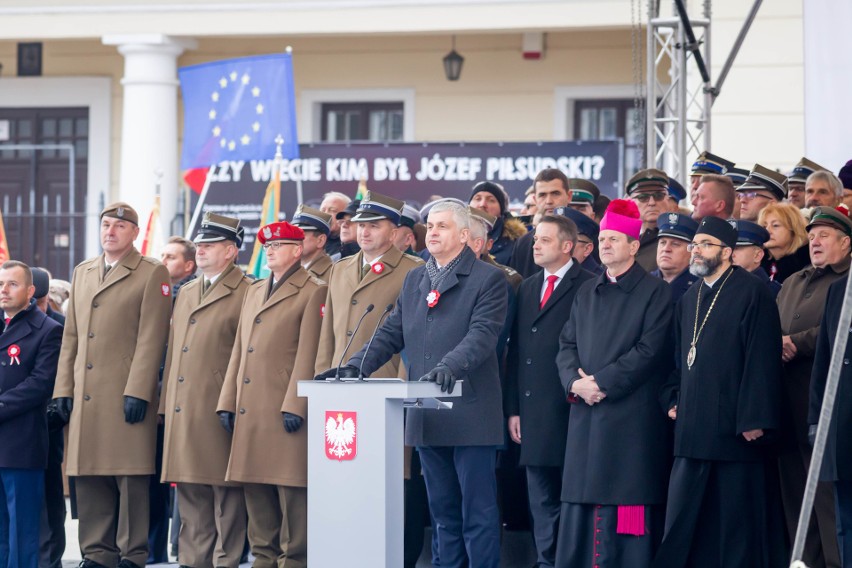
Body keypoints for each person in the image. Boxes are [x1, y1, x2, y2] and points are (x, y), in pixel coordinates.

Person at [323, 201, 508, 567]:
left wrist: (449, 366)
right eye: (431, 226)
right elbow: (391, 332)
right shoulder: (416, 278)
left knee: (478, 513)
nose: (433, 232)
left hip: (470, 412)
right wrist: (355, 366)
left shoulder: (489, 279)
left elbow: (482, 335)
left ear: (465, 236)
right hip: (428, 415)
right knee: (442, 514)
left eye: (442, 226)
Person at [655, 217, 782, 568]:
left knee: (734, 529)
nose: (696, 250)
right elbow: (678, 359)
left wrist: (755, 418)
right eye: (695, 244)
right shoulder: (690, 297)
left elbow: (762, 359)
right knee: (685, 524)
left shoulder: (752, 291)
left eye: (706, 244)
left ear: (727, 252)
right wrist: (673, 399)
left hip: (734, 434)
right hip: (693, 432)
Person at [553, 199, 673, 567]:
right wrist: (575, 383)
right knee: (581, 504)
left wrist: (600, 383)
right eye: (602, 238)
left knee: (629, 506)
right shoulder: (587, 291)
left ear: (634, 246)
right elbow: (566, 344)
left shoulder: (657, 292)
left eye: (614, 239)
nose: (604, 245)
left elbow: (649, 351)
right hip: (586, 416)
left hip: (630, 419)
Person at [52, 202, 172, 568]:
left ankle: (132, 554)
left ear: (134, 233)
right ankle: (96, 552)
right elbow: (71, 336)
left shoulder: (152, 272)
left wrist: (138, 389)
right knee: (88, 476)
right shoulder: (83, 271)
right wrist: (62, 391)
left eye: (120, 226)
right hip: (86, 394)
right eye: (106, 224)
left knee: (130, 477)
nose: (110, 231)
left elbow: (152, 337)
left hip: (124, 392)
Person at [217, 221, 326, 568]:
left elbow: (310, 351)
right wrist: (227, 400)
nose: (271, 251)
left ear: (297, 250)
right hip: (251, 406)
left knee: (291, 489)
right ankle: (263, 558)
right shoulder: (255, 289)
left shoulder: (313, 289)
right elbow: (239, 349)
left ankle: (294, 560)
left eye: (279, 246)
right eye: (267, 246)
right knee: (256, 488)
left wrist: (297, 402)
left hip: (283, 405)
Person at [158, 213, 250, 568]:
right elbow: (175, 350)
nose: (201, 251)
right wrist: (167, 404)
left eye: (209, 246)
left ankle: (225, 561)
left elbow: (244, 354)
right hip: (184, 404)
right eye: (200, 245)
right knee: (191, 490)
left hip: (218, 405)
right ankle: (193, 560)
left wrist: (231, 402)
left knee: (225, 493)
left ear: (230, 251)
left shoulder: (247, 290)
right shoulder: (188, 290)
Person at [504, 214, 594, 567]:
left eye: (543, 239)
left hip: (571, 409)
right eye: (535, 238)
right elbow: (518, 352)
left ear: (567, 246)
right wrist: (513, 408)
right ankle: (547, 562)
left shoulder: (589, 284)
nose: (535, 244)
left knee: (570, 495)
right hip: (532, 412)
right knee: (539, 496)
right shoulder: (527, 287)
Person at [775, 206, 851, 568]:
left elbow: (842, 330)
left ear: (846, 243)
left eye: (825, 235)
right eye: (813, 235)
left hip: (825, 404)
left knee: (825, 496)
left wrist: (796, 342)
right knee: (793, 493)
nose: (815, 241)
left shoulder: (849, 280)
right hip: (786, 402)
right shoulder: (793, 282)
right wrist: (777, 342)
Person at [0, 261, 63, 568]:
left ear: (30, 291)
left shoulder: (48, 330)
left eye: (12, 284)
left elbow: (39, 384)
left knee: (22, 530)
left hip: (21, 442)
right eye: (1, 284)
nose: (4, 290)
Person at [809, 268, 852, 564]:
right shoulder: (838, 290)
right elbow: (823, 360)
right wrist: (815, 419)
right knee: (845, 521)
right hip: (843, 427)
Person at [31, 267, 67, 568]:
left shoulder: (60, 326)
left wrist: (57, 412)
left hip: (47, 421)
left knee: (50, 496)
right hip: (13, 426)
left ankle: (50, 559)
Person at [509, 168, 573, 278]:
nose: (549, 201)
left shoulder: (586, 238)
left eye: (555, 193)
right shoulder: (522, 243)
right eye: (542, 195)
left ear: (569, 196)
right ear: (535, 199)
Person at [468, 181, 527, 265]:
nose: (482, 204)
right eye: (477, 199)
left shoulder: (517, 244)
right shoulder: (456, 236)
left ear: (501, 210)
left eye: (491, 200)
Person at [626, 168, 670, 271]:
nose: (651, 202)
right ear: (630, 202)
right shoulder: (621, 239)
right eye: (643, 197)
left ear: (667, 199)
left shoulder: (677, 241)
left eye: (658, 196)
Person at [650, 212, 699, 305]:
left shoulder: (699, 287)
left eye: (675, 244)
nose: (666, 249)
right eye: (663, 243)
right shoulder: (644, 282)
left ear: (692, 250)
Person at [758, 201, 811, 283]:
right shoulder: (757, 263)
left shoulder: (806, 267)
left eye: (775, 225)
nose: (767, 231)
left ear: (794, 230)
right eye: (764, 226)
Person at [729, 219, 782, 298]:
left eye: (737, 248)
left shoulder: (774, 293)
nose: (730, 254)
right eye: (727, 248)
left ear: (757, 255)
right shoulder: (719, 286)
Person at [291, 205, 334, 280]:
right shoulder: (286, 270)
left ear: (321, 240)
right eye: (293, 234)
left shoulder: (334, 274)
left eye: (300, 234)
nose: (294, 240)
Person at [556, 207, 603, 275]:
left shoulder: (599, 281)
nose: (558, 245)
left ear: (587, 249)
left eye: (567, 241)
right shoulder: (546, 273)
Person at [319, 191, 351, 258]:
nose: (326, 214)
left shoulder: (353, 246)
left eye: (333, 210)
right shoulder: (313, 242)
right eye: (323, 210)